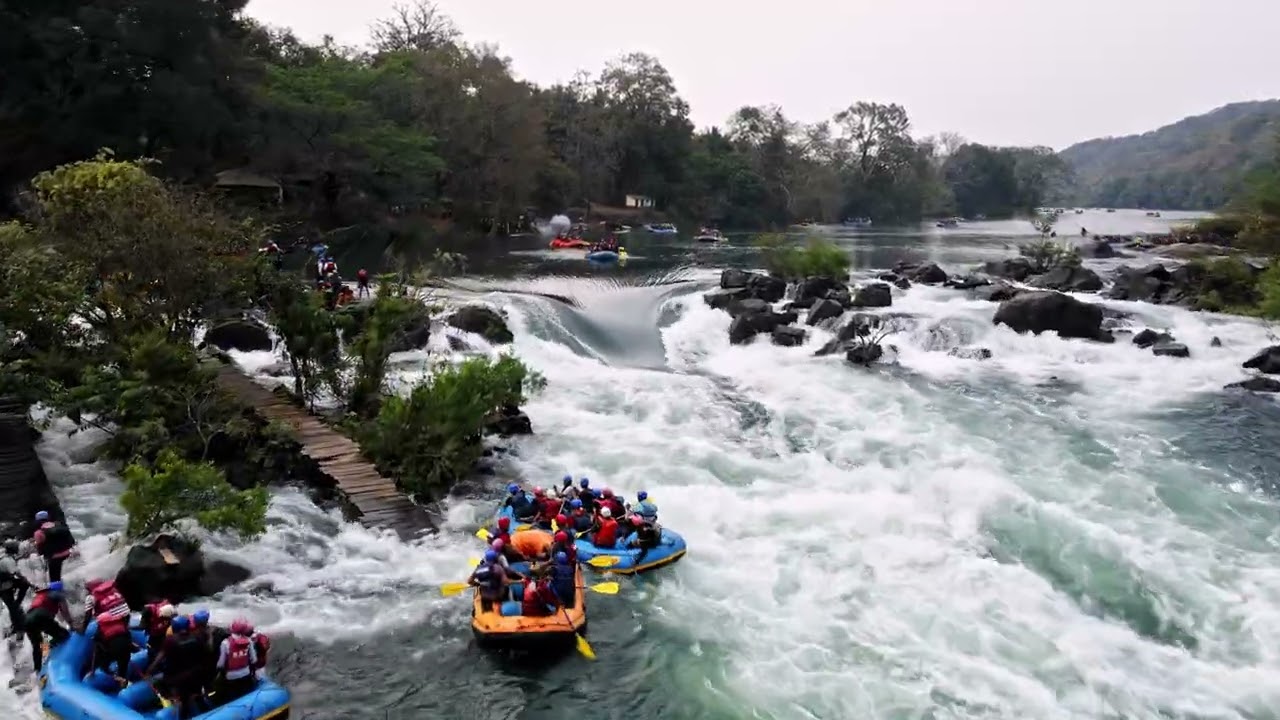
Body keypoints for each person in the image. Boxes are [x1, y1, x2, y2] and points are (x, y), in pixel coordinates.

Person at [147, 615, 210, 717]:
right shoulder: (196, 637)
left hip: (178, 678)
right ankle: (207, 712)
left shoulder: (170, 641)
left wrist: (149, 670)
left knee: (183, 702)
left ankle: (175, 702)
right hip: (196, 674)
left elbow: (160, 658)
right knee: (198, 695)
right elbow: (204, 653)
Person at [23, 581, 71, 673]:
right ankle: (51, 648)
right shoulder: (56, 594)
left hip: (27, 619)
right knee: (64, 635)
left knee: (37, 646)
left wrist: (47, 646)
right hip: (40, 614)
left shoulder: (41, 596)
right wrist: (70, 623)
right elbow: (64, 611)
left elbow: (46, 631)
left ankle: (37, 670)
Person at [215, 620, 259, 702]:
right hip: (246, 674)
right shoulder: (249, 641)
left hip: (230, 678)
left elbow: (220, 664)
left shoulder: (225, 643)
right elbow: (254, 660)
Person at [32, 511, 75, 582]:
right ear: (48, 518)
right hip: (68, 554)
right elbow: (72, 541)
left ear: (38, 520)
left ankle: (57, 591)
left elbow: (40, 549)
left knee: (55, 580)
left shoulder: (39, 533)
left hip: (54, 558)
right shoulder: (61, 526)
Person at [92, 609, 133, 682]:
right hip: (126, 650)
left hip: (114, 651)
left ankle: (113, 675)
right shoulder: (121, 624)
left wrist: (92, 670)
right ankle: (122, 679)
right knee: (123, 665)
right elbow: (128, 637)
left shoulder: (100, 630)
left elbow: (96, 651)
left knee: (103, 662)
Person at [0, 539, 29, 635]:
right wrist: (27, 580)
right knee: (13, 607)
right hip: (4, 587)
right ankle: (18, 627)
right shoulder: (8, 560)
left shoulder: (5, 557)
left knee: (12, 606)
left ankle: (17, 620)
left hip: (5, 584)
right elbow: (16, 573)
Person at [141, 602, 176, 667]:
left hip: (161, 635)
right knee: (152, 649)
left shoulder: (169, 612)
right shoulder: (149, 610)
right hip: (155, 635)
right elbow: (142, 626)